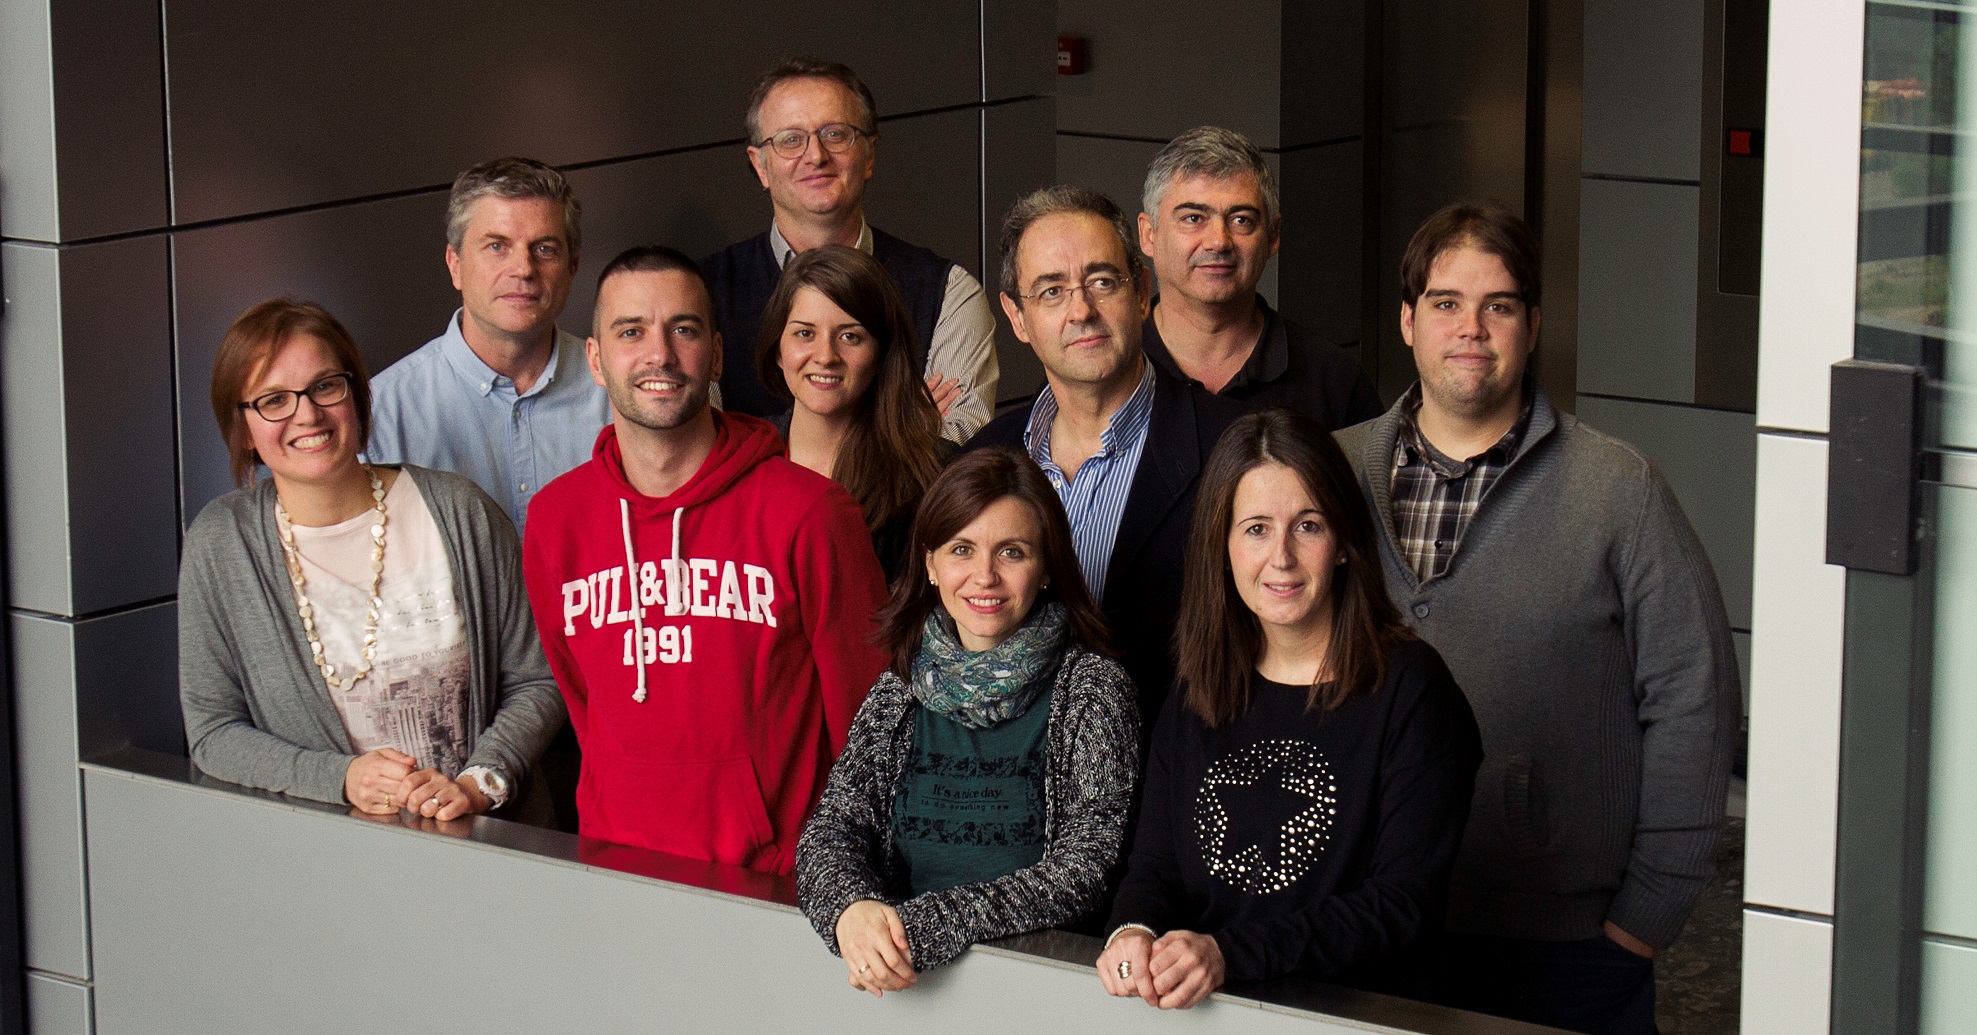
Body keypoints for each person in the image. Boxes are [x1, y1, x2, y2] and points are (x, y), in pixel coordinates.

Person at [1336, 204, 1740, 1035]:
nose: (1471, 328)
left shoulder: (1617, 489)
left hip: (1565, 944)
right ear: (1407, 321)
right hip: (1361, 919)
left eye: (1500, 305)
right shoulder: (1330, 476)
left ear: (1532, 325)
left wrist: (1646, 916)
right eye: (1445, 302)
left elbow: (1693, 696)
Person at [1095, 409, 1481, 1010]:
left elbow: (1403, 903)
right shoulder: (1198, 689)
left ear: (1346, 543)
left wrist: (1227, 954)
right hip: (1207, 1014)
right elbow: (1154, 867)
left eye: (1308, 526)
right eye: (1254, 529)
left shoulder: (1411, 689)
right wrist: (1134, 931)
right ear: (1221, 547)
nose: (1280, 558)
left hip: (1357, 1018)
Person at [522, 245, 890, 875]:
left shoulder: (810, 513)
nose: (659, 355)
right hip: (614, 872)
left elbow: (872, 725)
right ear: (596, 360)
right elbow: (581, 698)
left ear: (715, 353)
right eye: (631, 332)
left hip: (774, 886)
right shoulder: (557, 521)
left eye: (683, 330)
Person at [180, 299, 564, 824]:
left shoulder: (460, 511)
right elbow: (212, 733)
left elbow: (537, 681)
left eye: (325, 387)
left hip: (479, 851)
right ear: (243, 427)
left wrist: (479, 782)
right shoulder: (222, 544)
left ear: (356, 395)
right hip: (315, 865)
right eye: (273, 400)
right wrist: (339, 778)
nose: (307, 414)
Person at [796, 447, 1139, 995]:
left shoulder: (1092, 689)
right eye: (962, 549)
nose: (985, 576)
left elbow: (1086, 871)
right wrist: (852, 910)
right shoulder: (899, 691)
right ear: (930, 564)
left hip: (1040, 993)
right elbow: (831, 831)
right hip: (903, 992)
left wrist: (921, 927)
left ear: (1047, 565)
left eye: (1012, 552)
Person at [966, 185, 1249, 730]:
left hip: (1172, 790)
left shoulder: (1233, 450)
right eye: (1051, 291)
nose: (1081, 311)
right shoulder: (982, 457)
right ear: (1017, 318)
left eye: (1102, 281)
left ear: (1142, 292)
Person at [702, 58, 998, 443]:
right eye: (791, 139)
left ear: (869, 155)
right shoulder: (702, 295)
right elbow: (698, 457)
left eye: (836, 134)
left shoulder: (949, 293)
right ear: (760, 166)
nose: (815, 156)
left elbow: (954, 461)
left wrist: (751, 442)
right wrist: (896, 428)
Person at [367, 156, 608, 535]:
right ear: (455, 264)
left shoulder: (617, 391)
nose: (523, 269)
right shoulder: (380, 416)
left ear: (572, 268)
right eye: (497, 246)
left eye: (544, 249)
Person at [1138, 128, 1381, 430]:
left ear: (1272, 236)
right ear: (1149, 235)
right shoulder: (1109, 366)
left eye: (1241, 220)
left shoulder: (1335, 383)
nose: (1218, 241)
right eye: (1193, 218)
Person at [756, 245, 956, 581]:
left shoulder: (935, 475)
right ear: (778, 349)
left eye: (850, 336)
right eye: (805, 334)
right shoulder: (744, 459)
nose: (825, 356)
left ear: (881, 354)